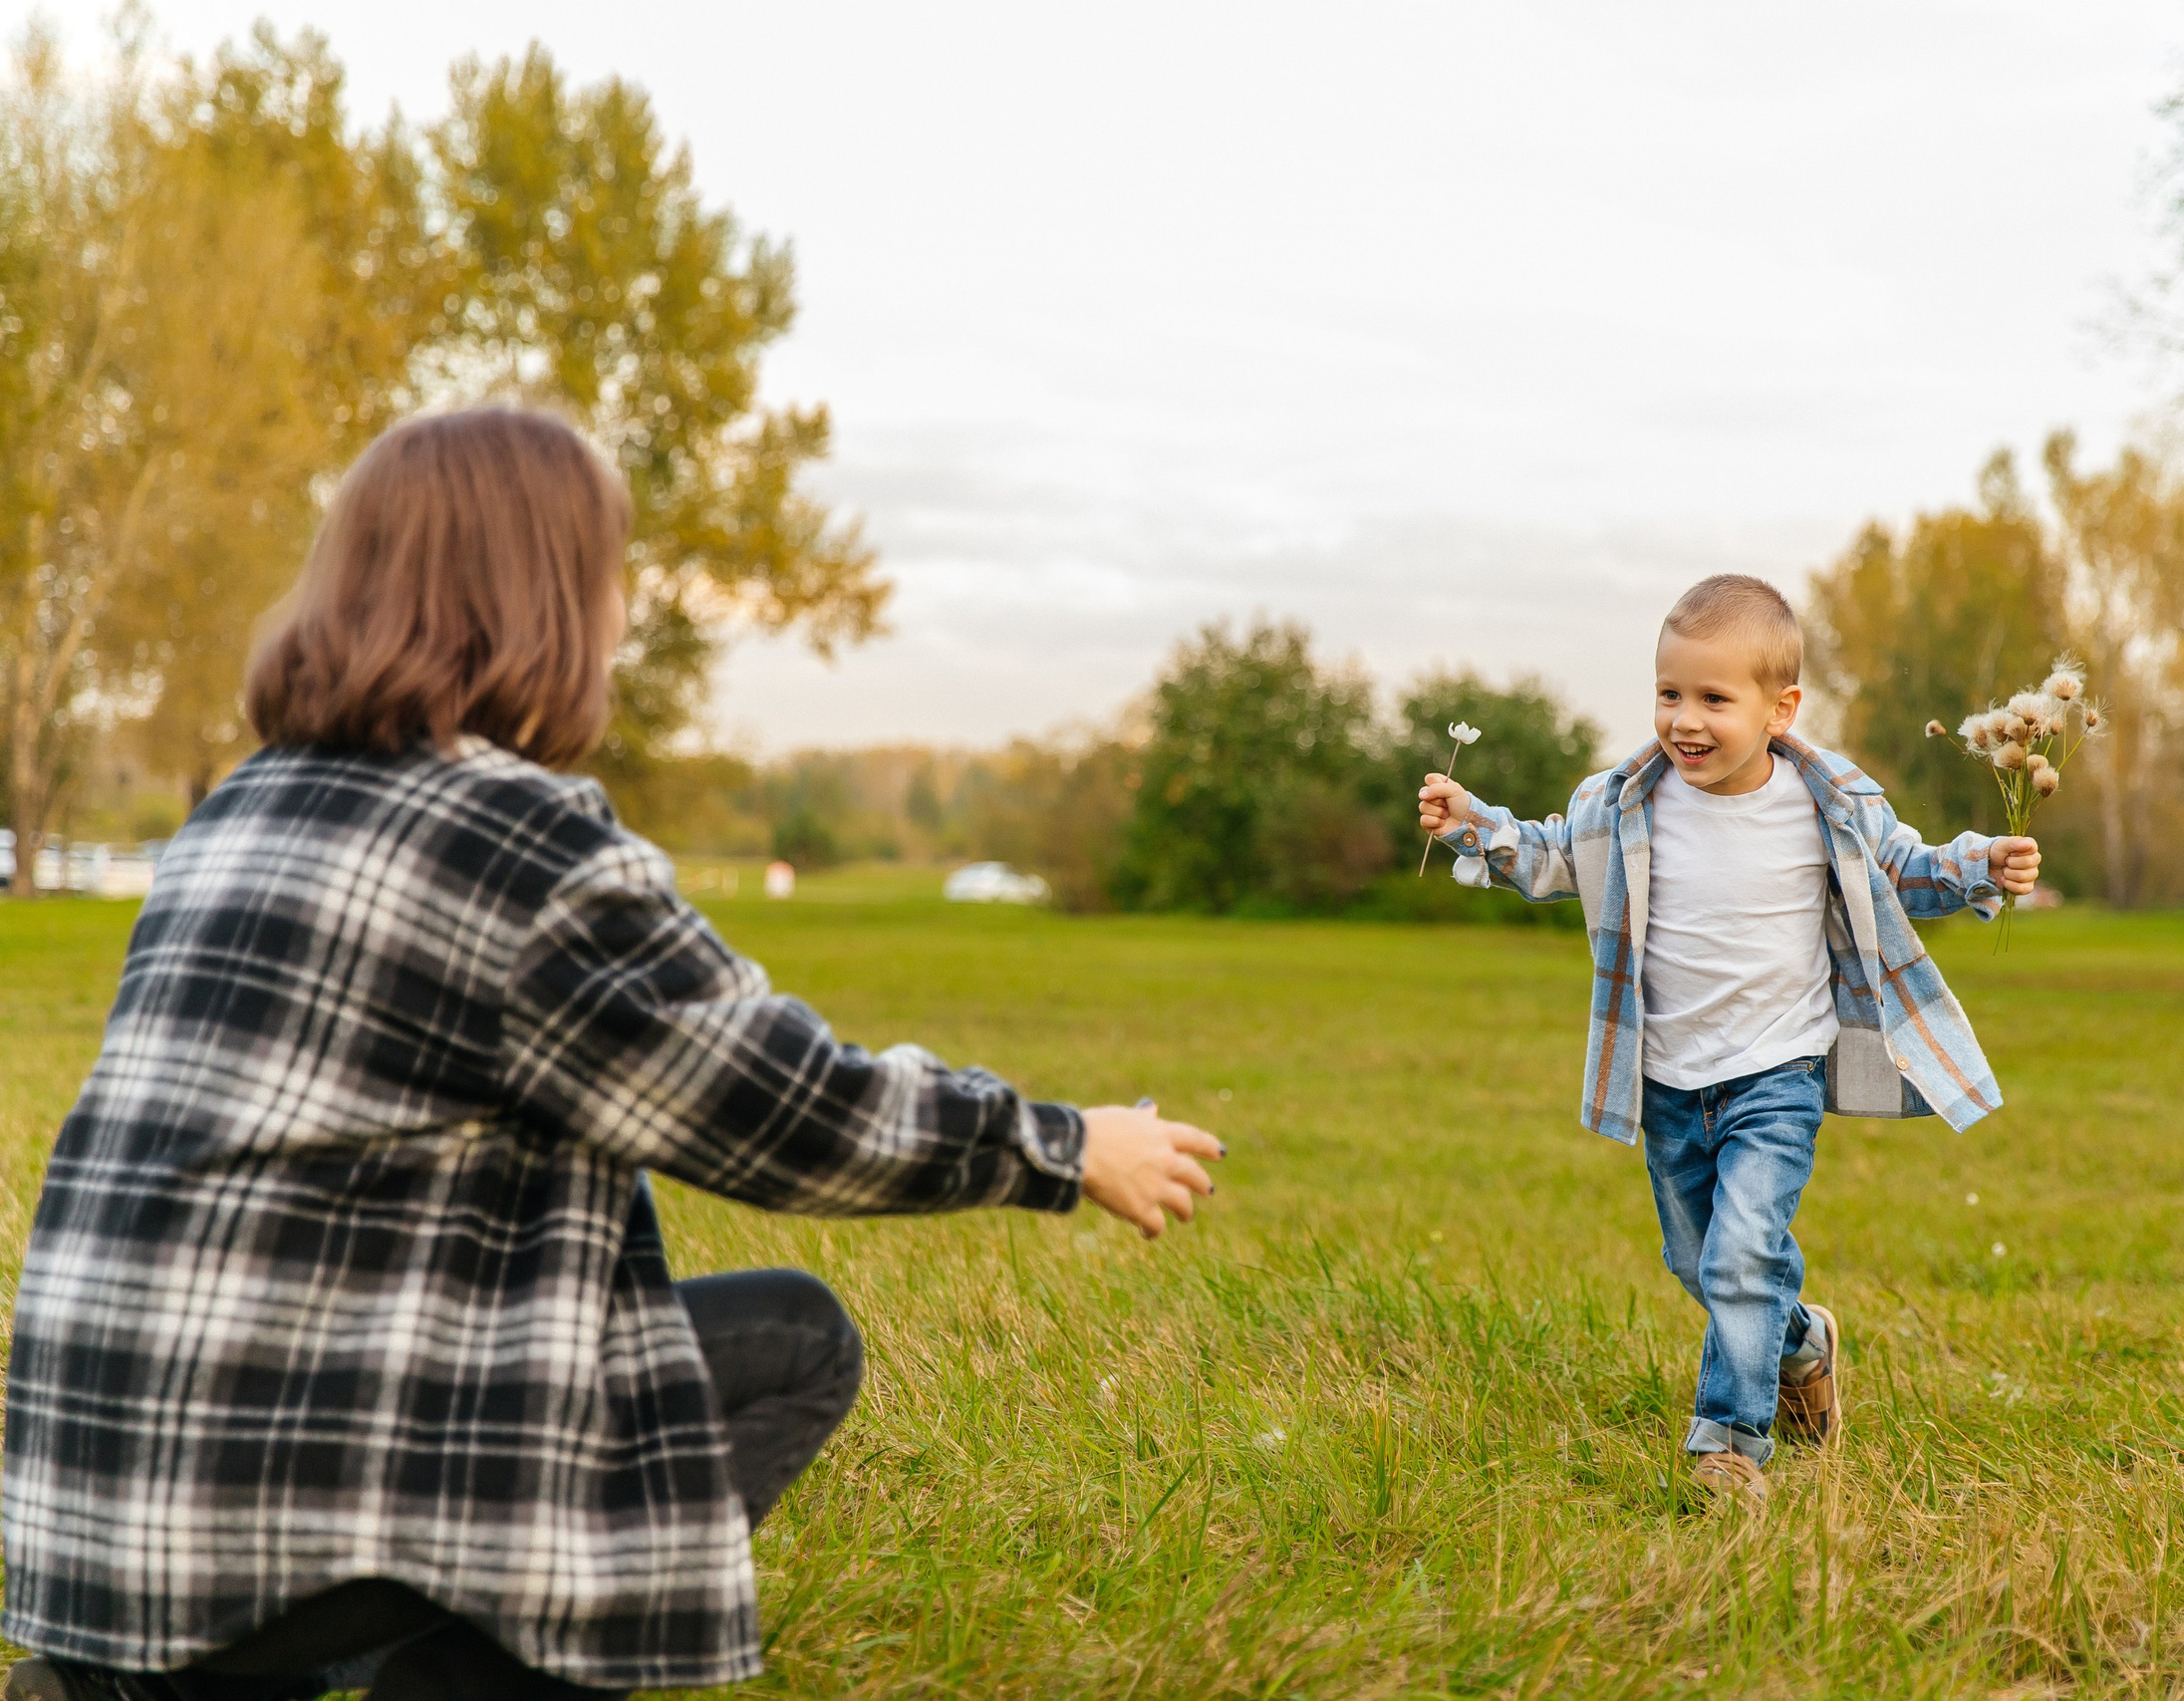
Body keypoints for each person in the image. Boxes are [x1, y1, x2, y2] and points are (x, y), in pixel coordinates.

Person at [0, 408, 1223, 1701]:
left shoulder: (240, 806)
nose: (625, 610)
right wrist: (1069, 1142)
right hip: (250, 1504)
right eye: (611, 572)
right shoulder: (519, 843)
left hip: (95, 1492)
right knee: (796, 1342)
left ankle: (149, 1685)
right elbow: (789, 1108)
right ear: (542, 597)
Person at [1414, 574, 2037, 1501]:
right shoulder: (1627, 799)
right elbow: (1549, 857)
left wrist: (1980, 863)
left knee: (1744, 1251)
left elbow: (1904, 870)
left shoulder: (1823, 801)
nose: (1685, 720)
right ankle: (1798, 1343)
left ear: (1782, 709)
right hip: (1666, 1074)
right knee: (1701, 1261)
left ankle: (1730, 1444)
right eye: (1670, 693)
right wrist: (1478, 827)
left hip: (1776, 1072)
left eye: (1714, 698)